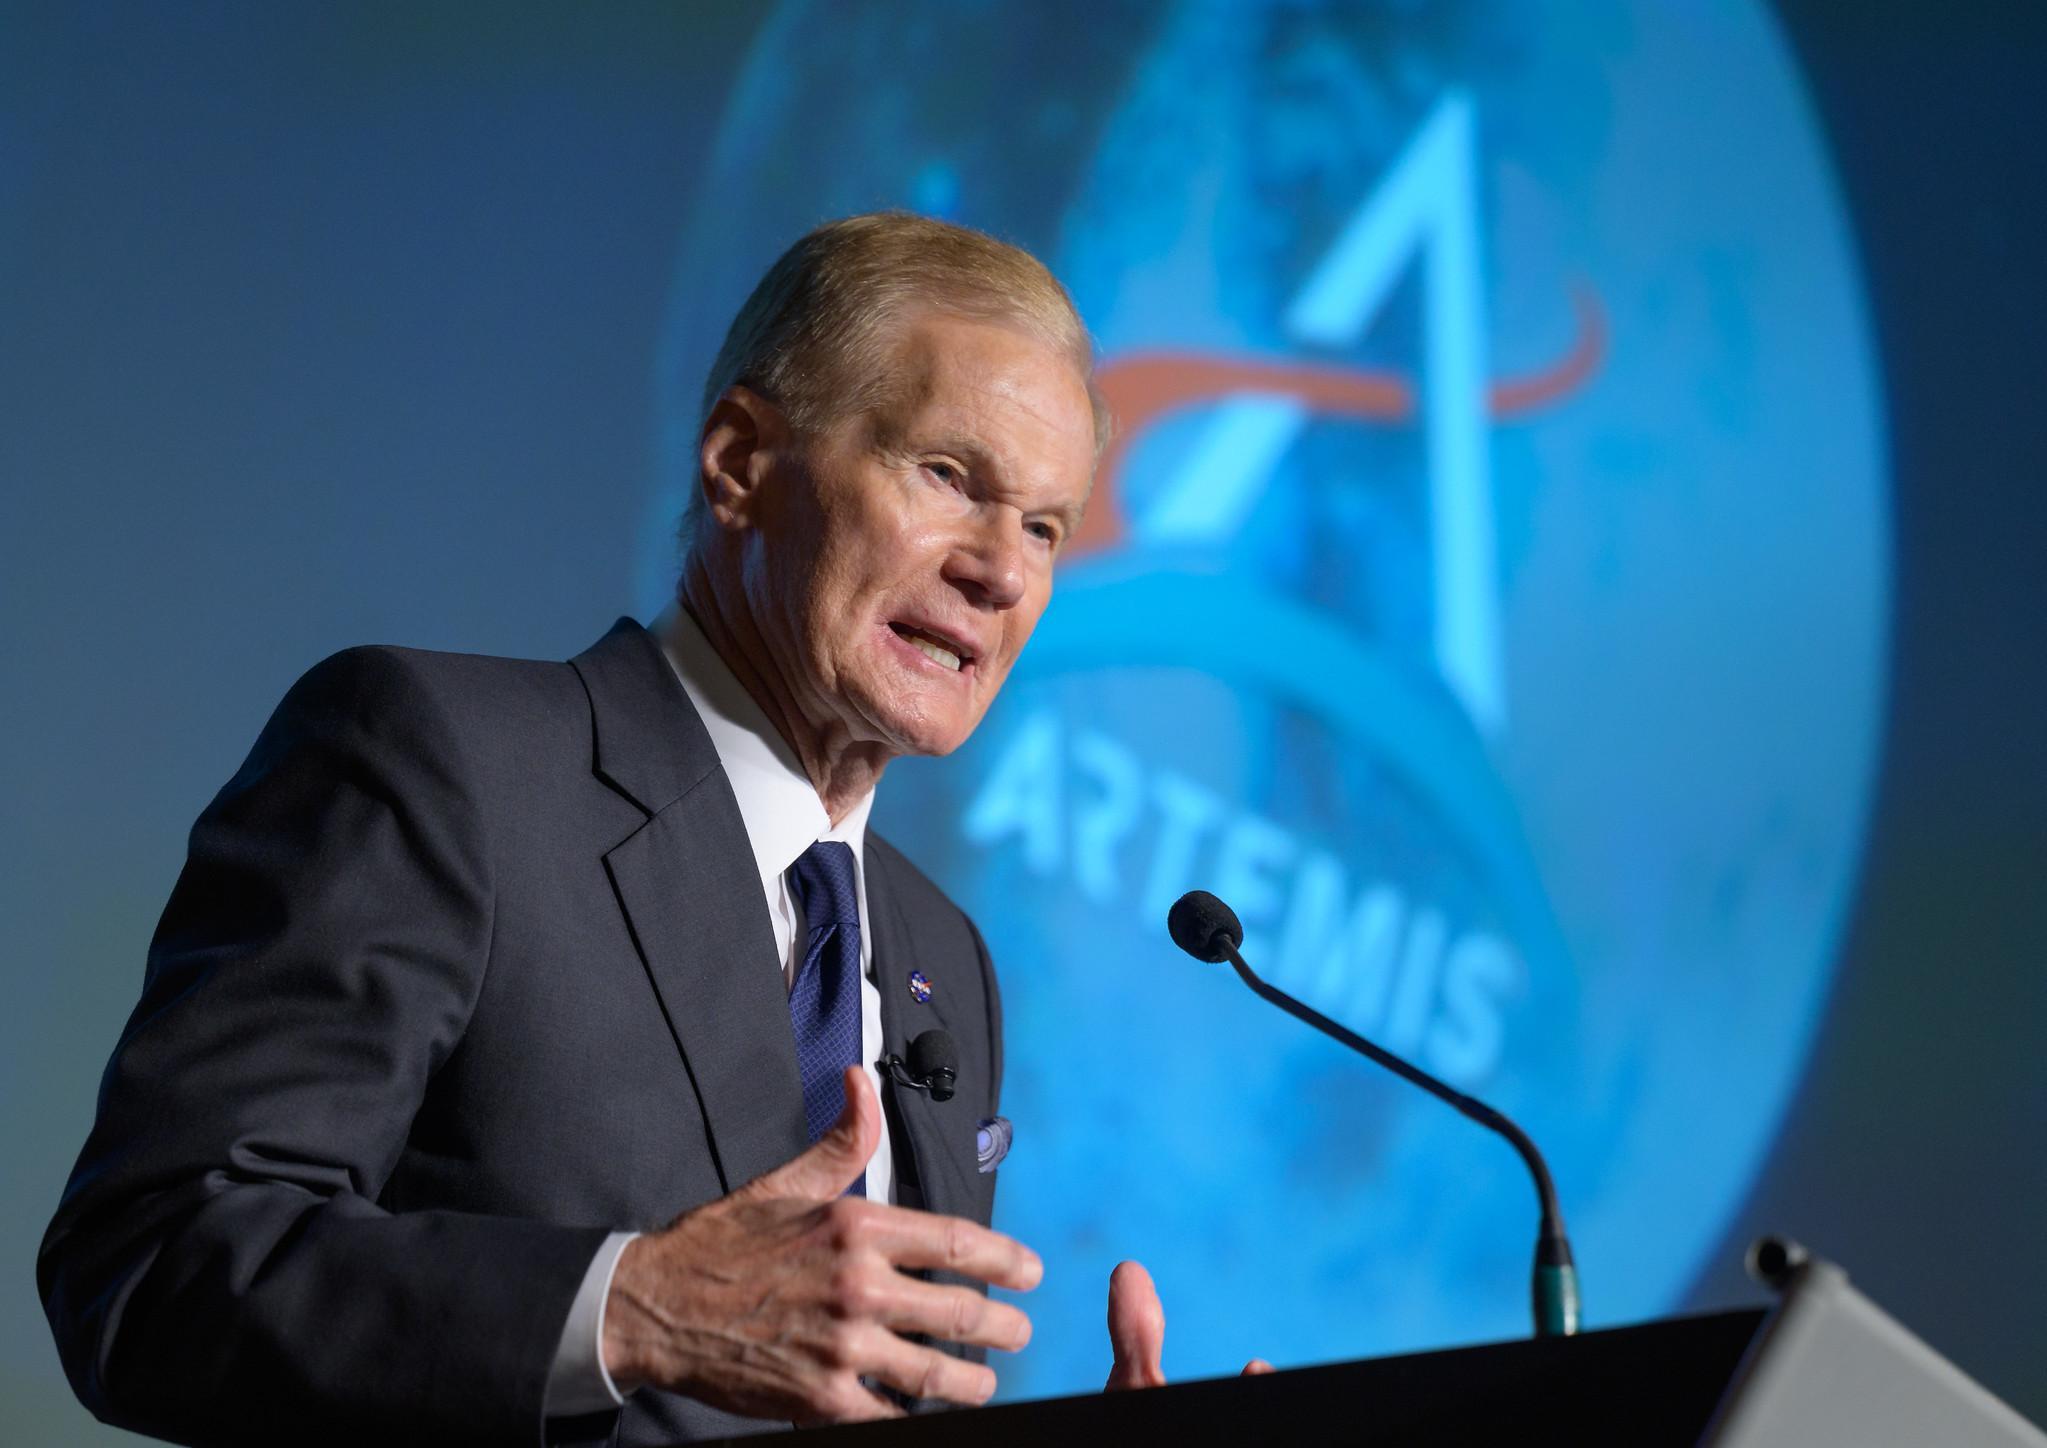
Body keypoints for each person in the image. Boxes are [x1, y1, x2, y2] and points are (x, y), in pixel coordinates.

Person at [40, 213, 1260, 1446]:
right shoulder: (444, 760)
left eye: (1045, 527)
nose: (1001, 570)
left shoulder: (944, 952)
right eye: (948, 476)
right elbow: (148, 1261)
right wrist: (627, 1310)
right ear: (739, 462)